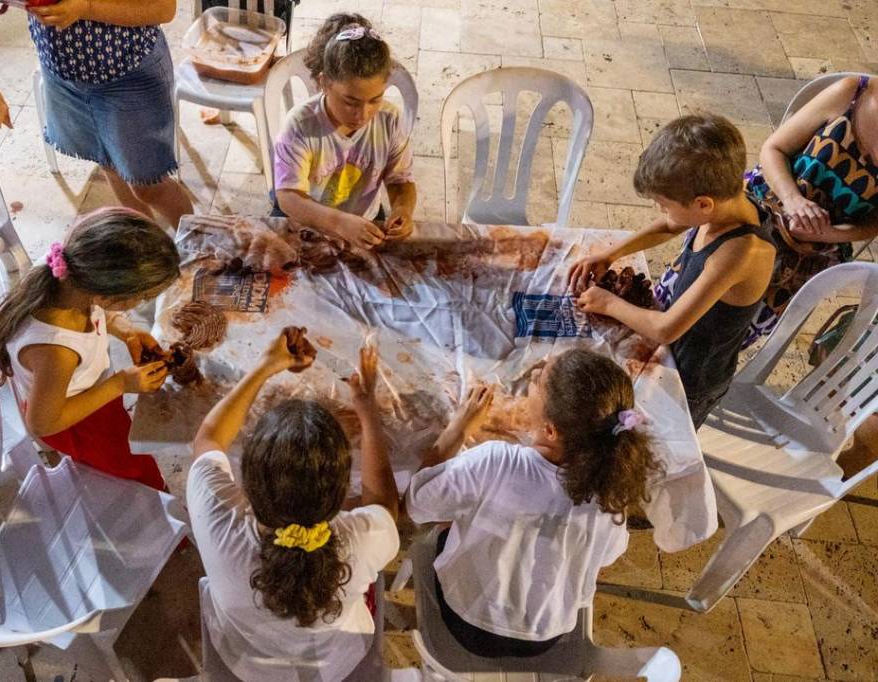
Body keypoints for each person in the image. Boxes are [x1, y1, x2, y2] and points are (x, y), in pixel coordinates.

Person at [406, 349, 663, 658]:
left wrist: (458, 429)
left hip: (467, 622)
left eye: (538, 380)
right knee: (473, 512)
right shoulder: (612, 485)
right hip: (545, 635)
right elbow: (606, 555)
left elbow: (417, 503)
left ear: (550, 431)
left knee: (450, 518)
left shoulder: (496, 461)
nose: (534, 373)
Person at [188, 335, 399, 682]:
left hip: (245, 664)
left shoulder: (217, 520)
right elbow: (384, 506)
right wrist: (366, 409)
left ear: (248, 484)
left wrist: (266, 366)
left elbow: (208, 439)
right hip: (337, 665)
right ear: (341, 494)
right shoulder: (359, 540)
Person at [568, 114, 776, 427]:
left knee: (659, 442)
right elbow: (669, 225)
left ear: (703, 205)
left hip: (692, 378)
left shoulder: (740, 251)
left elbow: (667, 328)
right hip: (674, 351)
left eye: (664, 204)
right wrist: (610, 254)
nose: (661, 211)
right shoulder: (728, 197)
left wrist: (608, 303)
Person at [0, 207, 180, 489]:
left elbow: (100, 311)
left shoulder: (67, 271)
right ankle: (155, 505)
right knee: (134, 471)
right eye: (140, 298)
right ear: (104, 294)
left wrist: (125, 330)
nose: (140, 304)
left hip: (79, 395)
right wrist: (119, 384)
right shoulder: (57, 351)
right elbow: (41, 424)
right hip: (78, 422)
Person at [28, 0, 193, 228]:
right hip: (64, 71)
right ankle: (147, 249)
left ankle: (200, 250)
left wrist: (85, 8)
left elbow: (163, 9)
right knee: (110, 163)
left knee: (149, 186)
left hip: (127, 72)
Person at [743, 74, 878, 345]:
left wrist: (829, 234)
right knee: (695, 289)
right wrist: (793, 200)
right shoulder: (852, 92)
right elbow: (773, 149)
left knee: (729, 334)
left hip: (816, 251)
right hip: (762, 206)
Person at [273, 13, 417, 250]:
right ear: (324, 83)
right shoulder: (300, 126)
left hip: (365, 219)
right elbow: (288, 197)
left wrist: (403, 209)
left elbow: (400, 179)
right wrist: (339, 223)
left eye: (375, 99)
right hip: (309, 223)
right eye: (350, 102)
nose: (363, 114)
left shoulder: (389, 120)